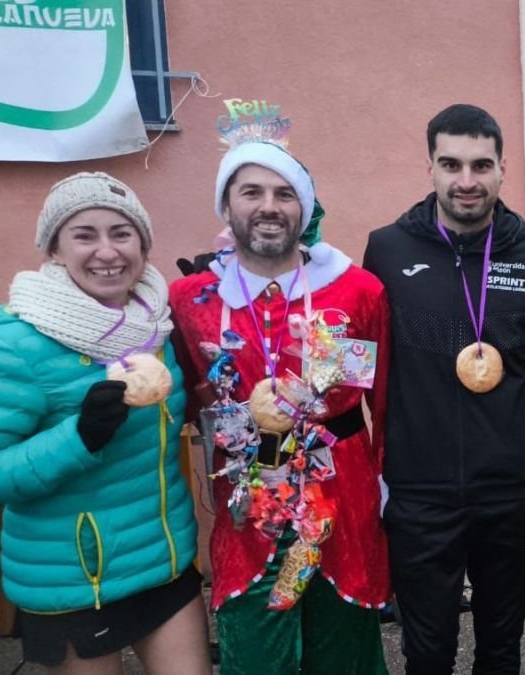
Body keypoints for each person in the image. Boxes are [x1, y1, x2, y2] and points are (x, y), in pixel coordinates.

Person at [361, 103, 525, 675]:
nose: (466, 181)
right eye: (451, 164)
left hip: (510, 491)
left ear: (502, 169)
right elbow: (362, 353)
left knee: (501, 650)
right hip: (419, 491)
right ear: (430, 167)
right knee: (427, 652)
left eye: (481, 165)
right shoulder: (387, 250)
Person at [169, 133, 391, 674]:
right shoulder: (190, 300)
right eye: (251, 192)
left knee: (344, 647)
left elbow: (383, 400)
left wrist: (388, 489)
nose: (268, 207)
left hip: (343, 497)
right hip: (250, 507)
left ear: (304, 208)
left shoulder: (358, 292)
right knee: (255, 645)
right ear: (227, 206)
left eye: (284, 194)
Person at [0, 172, 209, 674]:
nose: (107, 251)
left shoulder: (157, 324)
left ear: (143, 245)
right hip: (75, 580)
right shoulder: (16, 340)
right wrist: (77, 438)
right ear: (55, 249)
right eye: (85, 234)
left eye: (122, 233)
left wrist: (220, 296)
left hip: (163, 563)